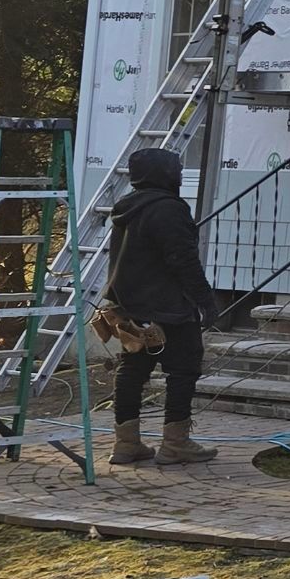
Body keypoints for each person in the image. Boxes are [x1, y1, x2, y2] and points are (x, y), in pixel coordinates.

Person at [105, 145, 216, 466]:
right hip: (168, 306)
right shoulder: (168, 209)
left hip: (130, 305)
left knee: (132, 371)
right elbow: (182, 259)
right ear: (162, 173)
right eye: (176, 168)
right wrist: (206, 300)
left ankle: (126, 444)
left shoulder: (128, 207)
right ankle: (175, 443)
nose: (180, 173)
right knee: (183, 370)